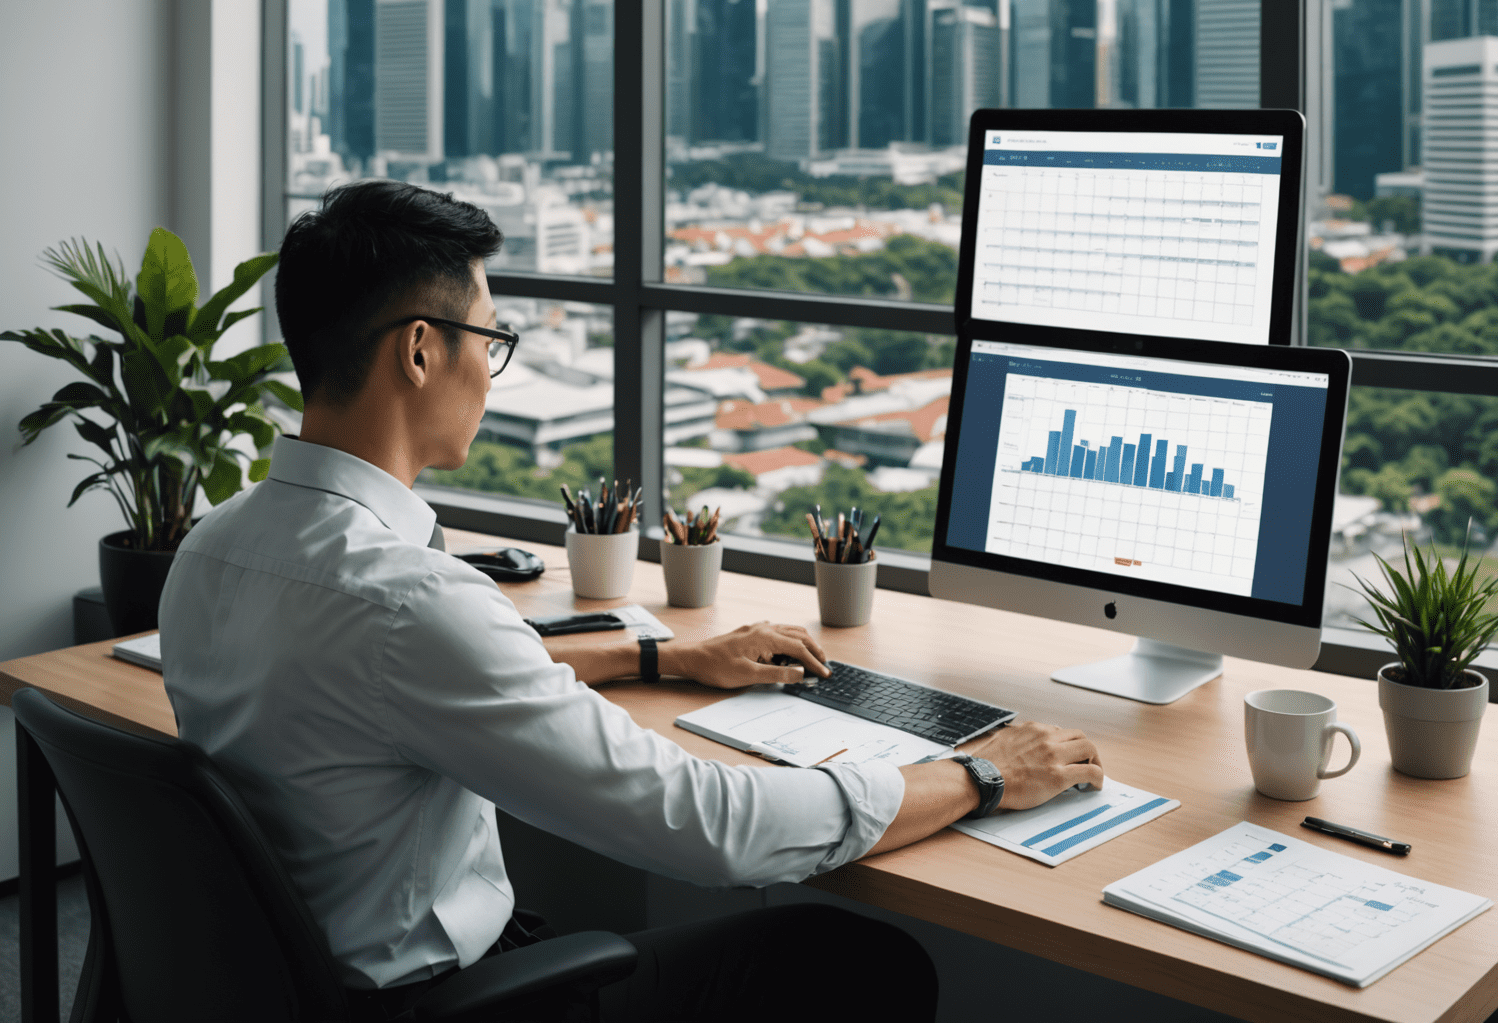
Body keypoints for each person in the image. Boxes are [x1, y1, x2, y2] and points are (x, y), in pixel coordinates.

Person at [159, 180, 1104, 1022]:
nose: (491, 372)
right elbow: (711, 825)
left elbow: (382, 681)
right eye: (490, 341)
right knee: (854, 960)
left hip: (301, 980)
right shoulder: (410, 603)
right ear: (419, 351)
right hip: (436, 999)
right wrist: (980, 775)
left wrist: (663, 656)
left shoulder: (216, 546)